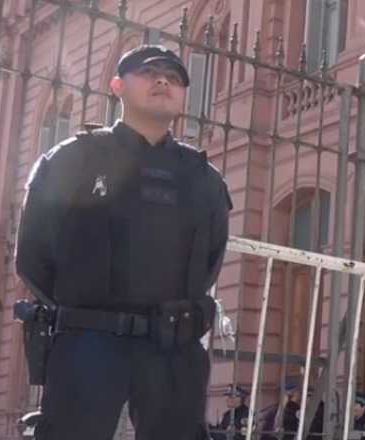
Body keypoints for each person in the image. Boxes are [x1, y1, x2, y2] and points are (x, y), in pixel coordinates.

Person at [15, 44, 231, 440]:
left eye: (175, 76)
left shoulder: (204, 179)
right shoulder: (73, 160)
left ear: (184, 95)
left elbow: (211, 259)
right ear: (117, 86)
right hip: (87, 342)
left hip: (173, 347)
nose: (163, 80)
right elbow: (33, 255)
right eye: (149, 72)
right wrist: (84, 306)